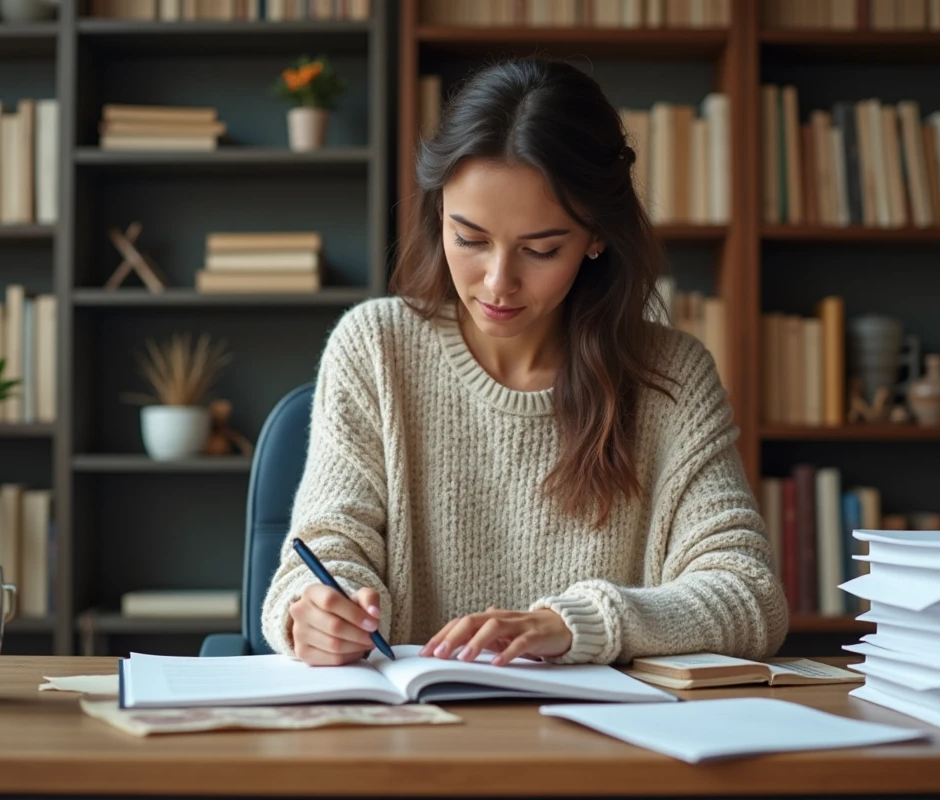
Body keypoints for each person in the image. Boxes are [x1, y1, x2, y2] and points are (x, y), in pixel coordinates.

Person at [261, 55, 788, 668]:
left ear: (596, 237)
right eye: (470, 239)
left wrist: (576, 623)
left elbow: (748, 594)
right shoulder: (375, 348)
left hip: (609, 749)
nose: (498, 282)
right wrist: (316, 612)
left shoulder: (670, 376)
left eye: (540, 249)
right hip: (409, 736)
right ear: (438, 214)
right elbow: (324, 551)